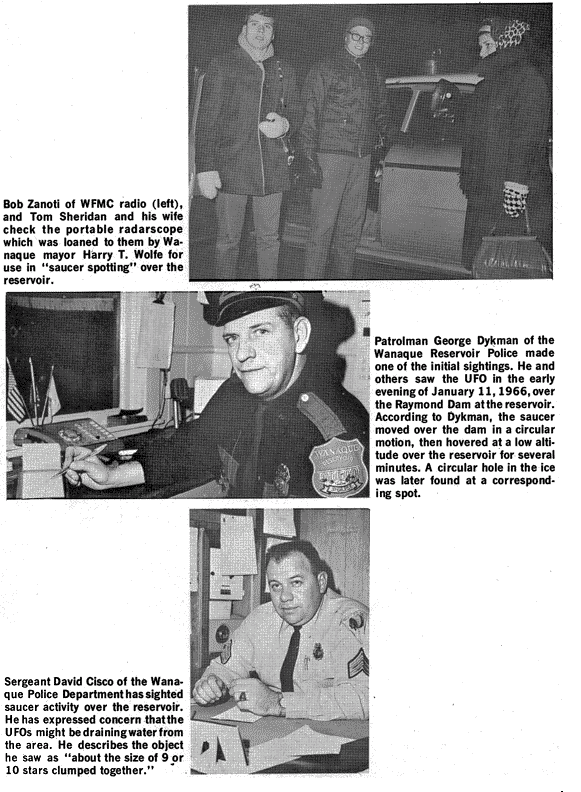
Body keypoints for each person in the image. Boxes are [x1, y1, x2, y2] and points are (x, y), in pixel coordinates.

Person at [64, 292, 369, 498]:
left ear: (299, 335)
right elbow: (193, 448)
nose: (242, 354)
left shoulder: (336, 432)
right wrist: (110, 476)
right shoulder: (237, 391)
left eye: (261, 332)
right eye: (233, 338)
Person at [193, 540, 369, 720]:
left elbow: (365, 697)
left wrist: (278, 703)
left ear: (321, 582)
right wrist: (212, 684)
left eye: (296, 583)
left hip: (340, 733)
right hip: (280, 732)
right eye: (276, 586)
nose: (284, 597)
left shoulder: (348, 621)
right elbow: (226, 668)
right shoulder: (261, 619)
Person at [194, 8, 300, 279]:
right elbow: (206, 122)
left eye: (267, 25)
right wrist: (206, 168)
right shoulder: (223, 64)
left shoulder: (284, 69)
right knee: (228, 241)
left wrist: (285, 125)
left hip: (272, 169)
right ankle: (225, 292)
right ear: (244, 28)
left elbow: (298, 113)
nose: (260, 30)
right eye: (255, 24)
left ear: (273, 32)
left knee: (269, 240)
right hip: (232, 167)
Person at [298, 16, 388, 279]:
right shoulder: (324, 68)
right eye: (356, 35)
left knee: (350, 230)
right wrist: (308, 158)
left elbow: (381, 114)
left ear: (371, 42)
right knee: (321, 230)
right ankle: (311, 286)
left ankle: (343, 285)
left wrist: (385, 146)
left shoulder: (373, 73)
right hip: (331, 157)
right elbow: (309, 113)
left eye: (367, 37)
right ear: (345, 36)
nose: (361, 42)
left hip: (362, 159)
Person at [459, 18, 552, 269]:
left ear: (507, 42)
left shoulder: (528, 81)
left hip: (512, 193)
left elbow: (528, 136)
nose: (481, 52)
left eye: (488, 44)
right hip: (486, 189)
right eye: (480, 45)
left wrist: (515, 187)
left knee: (508, 263)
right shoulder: (488, 85)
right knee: (483, 262)